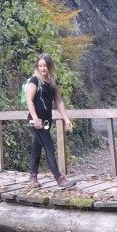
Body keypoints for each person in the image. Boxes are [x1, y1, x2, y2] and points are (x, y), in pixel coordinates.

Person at [24, 53, 76, 188]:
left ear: (50, 66)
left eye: (45, 66)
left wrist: (66, 119)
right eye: (40, 66)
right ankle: (59, 179)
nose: (43, 68)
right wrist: (35, 118)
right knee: (49, 147)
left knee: (37, 146)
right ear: (37, 67)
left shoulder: (52, 82)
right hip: (36, 120)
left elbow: (58, 101)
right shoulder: (35, 80)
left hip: (47, 120)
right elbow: (29, 100)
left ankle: (33, 177)